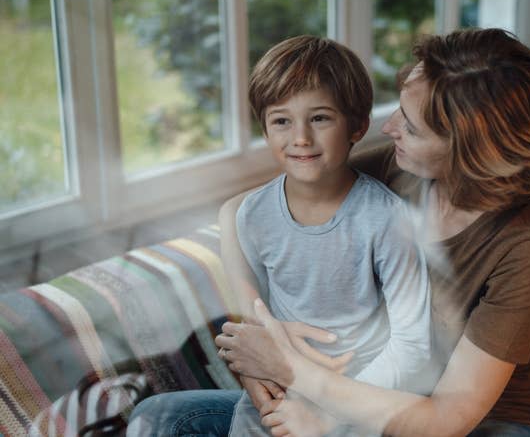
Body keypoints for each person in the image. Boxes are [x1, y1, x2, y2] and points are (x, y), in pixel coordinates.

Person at [215, 27, 530, 437]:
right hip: (361, 392)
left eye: (412, 127)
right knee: (164, 417)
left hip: (486, 421)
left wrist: (296, 379)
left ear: (470, 152)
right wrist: (261, 327)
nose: (388, 129)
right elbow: (236, 212)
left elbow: (446, 418)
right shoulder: (400, 167)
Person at [128, 35, 432, 437]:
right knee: (156, 420)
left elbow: (412, 350)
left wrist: (336, 412)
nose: (301, 137)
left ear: (357, 125)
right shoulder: (252, 216)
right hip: (278, 393)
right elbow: (258, 322)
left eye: (320, 118)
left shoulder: (387, 220)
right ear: (266, 129)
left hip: (360, 399)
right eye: (282, 121)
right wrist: (263, 385)